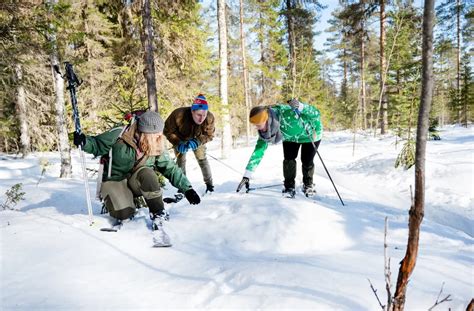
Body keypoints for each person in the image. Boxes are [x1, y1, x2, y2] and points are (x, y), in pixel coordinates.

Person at [73, 110, 201, 246]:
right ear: (145, 132)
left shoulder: (155, 144)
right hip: (115, 180)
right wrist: (84, 141)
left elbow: (170, 168)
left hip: (136, 180)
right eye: (156, 135)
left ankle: (158, 213)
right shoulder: (119, 134)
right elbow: (96, 145)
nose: (159, 138)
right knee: (124, 213)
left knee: (148, 174)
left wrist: (187, 189)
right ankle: (125, 206)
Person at [236, 99, 323, 197]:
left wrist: (301, 106)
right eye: (256, 126)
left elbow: (316, 114)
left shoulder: (286, 112)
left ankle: (308, 184)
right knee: (289, 159)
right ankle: (289, 186)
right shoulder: (266, 132)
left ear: (267, 120)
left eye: (259, 125)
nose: (258, 128)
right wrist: (247, 175)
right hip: (290, 137)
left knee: (307, 160)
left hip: (310, 134)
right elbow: (259, 150)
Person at [164, 94, 216, 193]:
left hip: (198, 139)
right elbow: (167, 131)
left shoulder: (209, 118)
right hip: (179, 138)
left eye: (204, 115)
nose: (201, 119)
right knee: (180, 160)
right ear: (192, 111)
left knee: (202, 159)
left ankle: (210, 185)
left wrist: (198, 141)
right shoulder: (178, 114)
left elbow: (210, 135)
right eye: (199, 115)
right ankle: (183, 187)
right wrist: (178, 143)